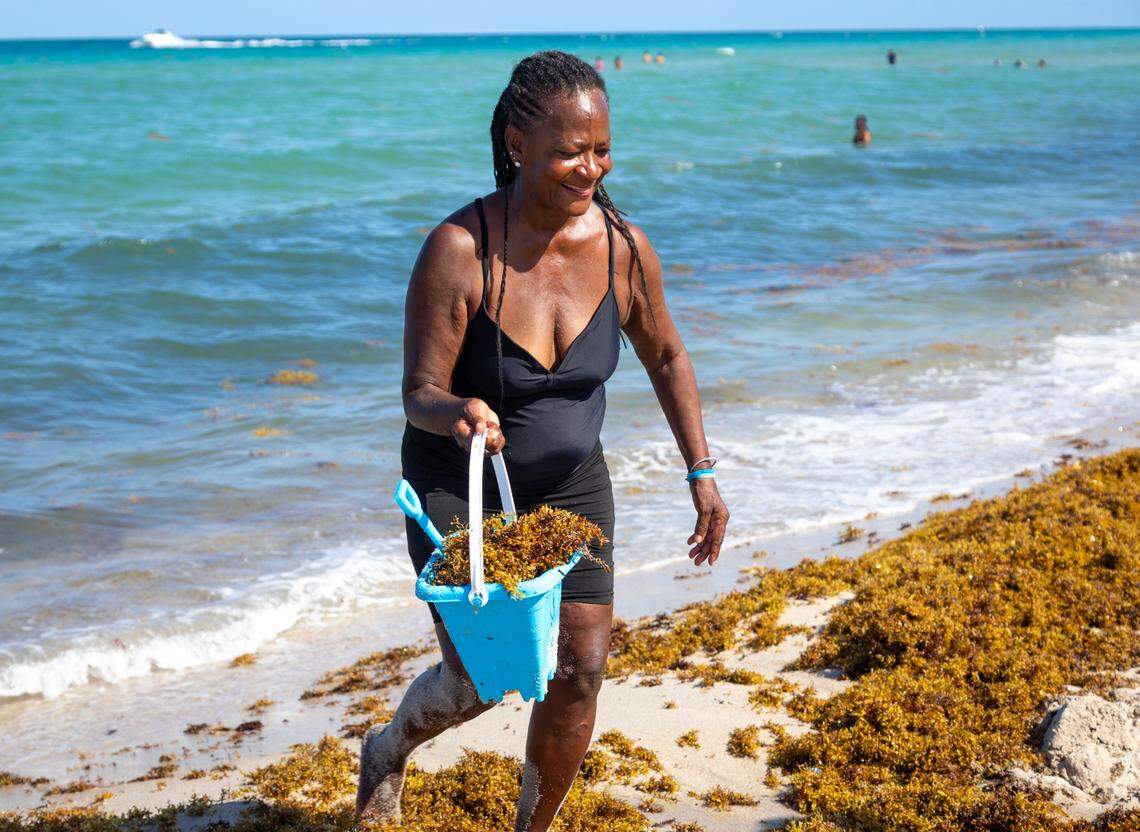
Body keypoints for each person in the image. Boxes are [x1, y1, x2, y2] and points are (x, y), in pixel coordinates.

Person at [354, 50, 728, 832]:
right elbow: (418, 394)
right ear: (518, 144)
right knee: (480, 680)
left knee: (580, 670)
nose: (591, 168)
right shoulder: (461, 249)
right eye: (570, 152)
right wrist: (460, 409)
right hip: (459, 483)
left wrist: (700, 471)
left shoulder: (624, 249)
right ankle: (387, 750)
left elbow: (666, 355)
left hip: (571, 483)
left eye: (602, 150)